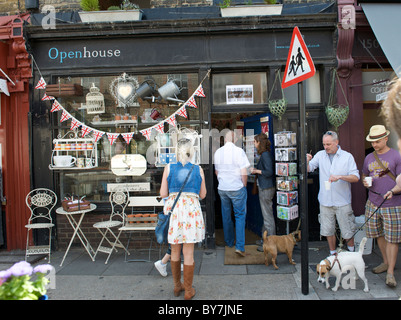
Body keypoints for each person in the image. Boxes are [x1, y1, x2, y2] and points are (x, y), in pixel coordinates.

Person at [159, 138, 207, 300]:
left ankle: (176, 286)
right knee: (189, 252)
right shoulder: (198, 169)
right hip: (191, 212)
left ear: (176, 151)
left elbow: (163, 194)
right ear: (191, 151)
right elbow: (203, 195)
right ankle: (188, 290)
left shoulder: (169, 167)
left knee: (174, 250)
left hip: (175, 212)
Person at [307, 131, 359, 255]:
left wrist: (340, 177)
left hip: (342, 200)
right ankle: (332, 253)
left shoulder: (347, 157)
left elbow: (356, 177)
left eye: (329, 144)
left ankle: (352, 253)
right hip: (325, 200)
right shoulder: (320, 155)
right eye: (324, 144)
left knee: (347, 230)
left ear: (337, 142)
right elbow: (308, 169)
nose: (326, 147)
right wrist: (306, 160)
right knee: (327, 230)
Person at [362, 124, 401, 288]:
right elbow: (365, 173)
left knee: (392, 238)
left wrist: (394, 190)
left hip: (392, 203)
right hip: (373, 202)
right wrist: (365, 181)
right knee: (378, 234)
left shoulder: (396, 156)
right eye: (372, 142)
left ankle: (391, 272)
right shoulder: (369, 157)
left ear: (386, 138)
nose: (375, 145)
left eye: (377, 141)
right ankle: (385, 262)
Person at [214, 130, 250, 257]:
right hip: (236, 188)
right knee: (240, 216)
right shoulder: (239, 151)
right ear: (234, 139)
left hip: (223, 188)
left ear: (225, 139)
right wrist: (244, 185)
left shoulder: (218, 152)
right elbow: (244, 172)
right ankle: (239, 246)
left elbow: (217, 172)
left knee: (226, 215)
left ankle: (229, 242)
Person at [250, 133, 275, 251]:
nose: (254, 144)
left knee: (268, 216)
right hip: (265, 187)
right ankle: (265, 239)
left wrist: (256, 171)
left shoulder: (265, 155)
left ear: (259, 142)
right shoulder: (264, 154)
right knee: (266, 215)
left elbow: (269, 172)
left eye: (255, 142)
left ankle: (270, 243)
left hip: (266, 188)